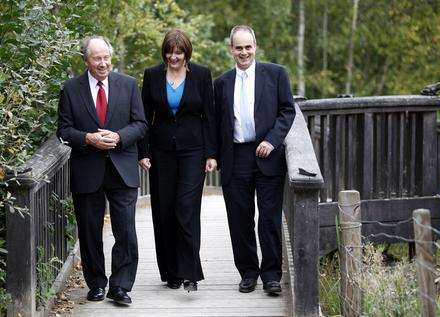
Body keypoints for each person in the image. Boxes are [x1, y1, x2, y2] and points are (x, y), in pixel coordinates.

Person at [57, 36, 147, 305]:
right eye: (97, 58)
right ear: (86, 60)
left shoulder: (129, 85)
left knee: (126, 231)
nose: (103, 63)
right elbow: (63, 130)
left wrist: (118, 136)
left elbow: (141, 124)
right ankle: (96, 284)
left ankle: (120, 286)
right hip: (88, 168)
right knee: (89, 230)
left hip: (122, 167)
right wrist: (88, 138)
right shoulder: (71, 89)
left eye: (106, 57)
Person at [214, 25, 295, 294]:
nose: (244, 52)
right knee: (240, 218)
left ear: (255, 47)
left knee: (269, 218)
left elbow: (287, 111)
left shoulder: (276, 74)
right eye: (239, 47)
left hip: (267, 154)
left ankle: (271, 275)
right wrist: (212, 155)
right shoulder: (222, 83)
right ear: (231, 50)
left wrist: (272, 140)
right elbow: (216, 123)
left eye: (248, 47)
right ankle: (248, 273)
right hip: (235, 156)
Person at [138, 29, 217, 292]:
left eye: (179, 52)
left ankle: (190, 272)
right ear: (164, 53)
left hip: (193, 151)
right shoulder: (151, 75)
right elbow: (143, 117)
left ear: (187, 53)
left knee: (186, 207)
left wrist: (211, 154)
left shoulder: (202, 75)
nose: (174, 57)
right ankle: (171, 272)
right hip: (161, 152)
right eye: (170, 52)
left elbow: (210, 116)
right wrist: (144, 152)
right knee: (164, 209)